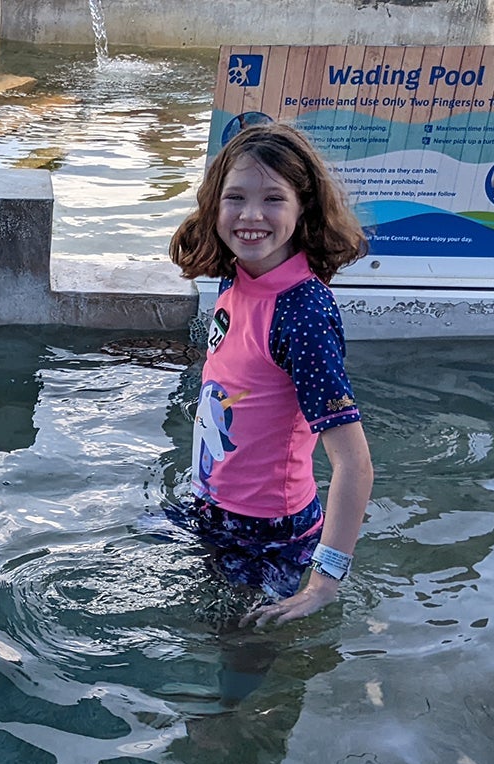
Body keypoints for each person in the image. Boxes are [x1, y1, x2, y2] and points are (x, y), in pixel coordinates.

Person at [168, 122, 374, 629]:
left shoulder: (300, 312)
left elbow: (354, 464)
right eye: (235, 197)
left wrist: (326, 580)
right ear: (214, 205)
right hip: (211, 507)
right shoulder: (235, 277)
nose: (251, 215)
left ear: (303, 208)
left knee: (243, 646)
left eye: (273, 199)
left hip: (270, 532)